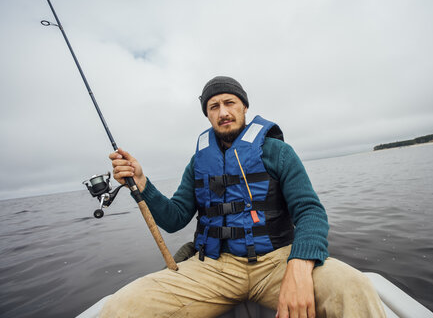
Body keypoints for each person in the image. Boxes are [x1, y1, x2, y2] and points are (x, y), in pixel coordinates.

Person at [100, 76, 385, 318]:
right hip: (213, 268)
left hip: (278, 262)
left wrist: (299, 264)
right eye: (214, 106)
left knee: (354, 287)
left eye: (230, 102)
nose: (223, 111)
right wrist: (142, 183)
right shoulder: (198, 163)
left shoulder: (278, 152)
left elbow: (310, 212)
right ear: (208, 115)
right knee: (120, 307)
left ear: (244, 106)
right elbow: (174, 219)